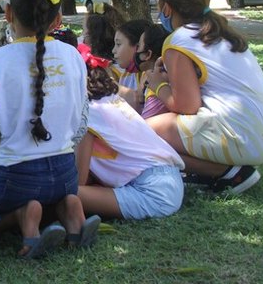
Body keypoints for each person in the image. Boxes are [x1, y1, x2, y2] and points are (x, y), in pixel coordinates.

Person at [0, 0, 99, 259]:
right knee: (46, 195)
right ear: (57, 20)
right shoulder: (74, 56)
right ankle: (69, 207)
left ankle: (22, 214)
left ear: (8, 13)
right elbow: (81, 123)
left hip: (17, 177)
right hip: (65, 175)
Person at [146, 0, 263, 195]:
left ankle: (228, 173)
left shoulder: (178, 40)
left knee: (142, 133)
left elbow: (187, 106)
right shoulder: (221, 32)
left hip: (241, 135)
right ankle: (223, 170)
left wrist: (157, 84)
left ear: (167, 8)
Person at [74, 43, 185, 220]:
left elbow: (78, 179)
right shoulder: (108, 101)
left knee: (66, 193)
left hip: (152, 192)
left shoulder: (87, 113)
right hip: (168, 180)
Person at [112, 19, 151, 111]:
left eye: (118, 44)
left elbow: (138, 104)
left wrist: (109, 86)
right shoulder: (126, 76)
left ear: (138, 47)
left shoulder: (151, 75)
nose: (113, 50)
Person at [134, 24, 171, 119]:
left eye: (138, 46)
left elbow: (146, 123)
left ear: (148, 54)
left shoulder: (156, 88)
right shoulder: (148, 78)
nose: (135, 51)